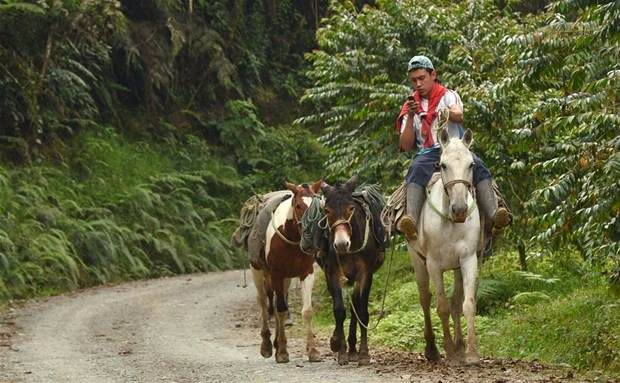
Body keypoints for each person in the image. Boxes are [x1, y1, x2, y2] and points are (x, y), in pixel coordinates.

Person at [395, 55, 510, 243]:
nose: (418, 84)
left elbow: (459, 115)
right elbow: (406, 145)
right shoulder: (410, 106)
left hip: (454, 149)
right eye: (414, 80)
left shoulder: (448, 95)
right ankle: (411, 221)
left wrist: (445, 112)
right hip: (428, 152)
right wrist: (410, 115)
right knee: (415, 169)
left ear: (433, 75)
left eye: (422, 78)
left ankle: (494, 215)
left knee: (478, 165)